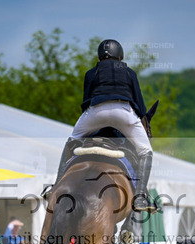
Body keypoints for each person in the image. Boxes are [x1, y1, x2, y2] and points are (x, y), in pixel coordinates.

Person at [44, 39, 155, 212]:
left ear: (100, 56)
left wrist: (90, 122)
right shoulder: (130, 73)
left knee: (71, 141)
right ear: (120, 56)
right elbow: (139, 104)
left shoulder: (91, 73)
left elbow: (85, 102)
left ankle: (56, 187)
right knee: (146, 151)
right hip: (123, 112)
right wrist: (139, 118)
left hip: (96, 112)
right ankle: (140, 197)